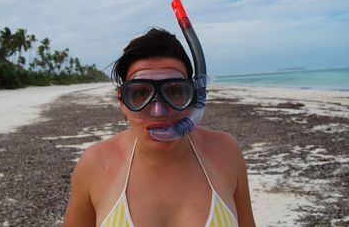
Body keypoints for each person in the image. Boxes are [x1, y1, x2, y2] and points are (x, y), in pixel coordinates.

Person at [62, 28, 255, 226]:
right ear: (122, 100)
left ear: (194, 98)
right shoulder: (96, 164)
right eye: (139, 93)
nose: (158, 111)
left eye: (174, 91)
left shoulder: (225, 152)